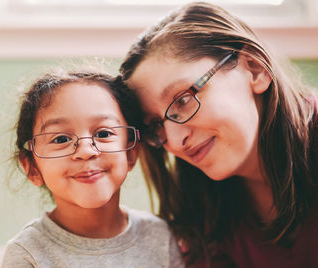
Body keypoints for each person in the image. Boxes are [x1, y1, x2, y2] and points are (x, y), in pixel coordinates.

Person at [119, 2, 318, 267]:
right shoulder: (204, 207)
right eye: (156, 124)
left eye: (183, 99)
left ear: (254, 68)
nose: (176, 141)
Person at [1, 69, 184, 268]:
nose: (86, 151)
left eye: (104, 133)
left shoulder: (159, 237)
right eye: (61, 139)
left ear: (131, 153)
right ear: (32, 168)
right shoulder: (28, 253)